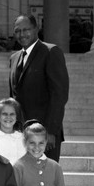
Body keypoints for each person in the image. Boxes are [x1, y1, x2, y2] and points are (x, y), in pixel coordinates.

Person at [9, 14, 69, 162]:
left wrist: (50, 132)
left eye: (26, 30)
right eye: (17, 31)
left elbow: (59, 96)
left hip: (44, 135)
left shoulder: (50, 52)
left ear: (36, 29)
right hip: (20, 134)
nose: (22, 34)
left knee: (45, 182)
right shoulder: (14, 58)